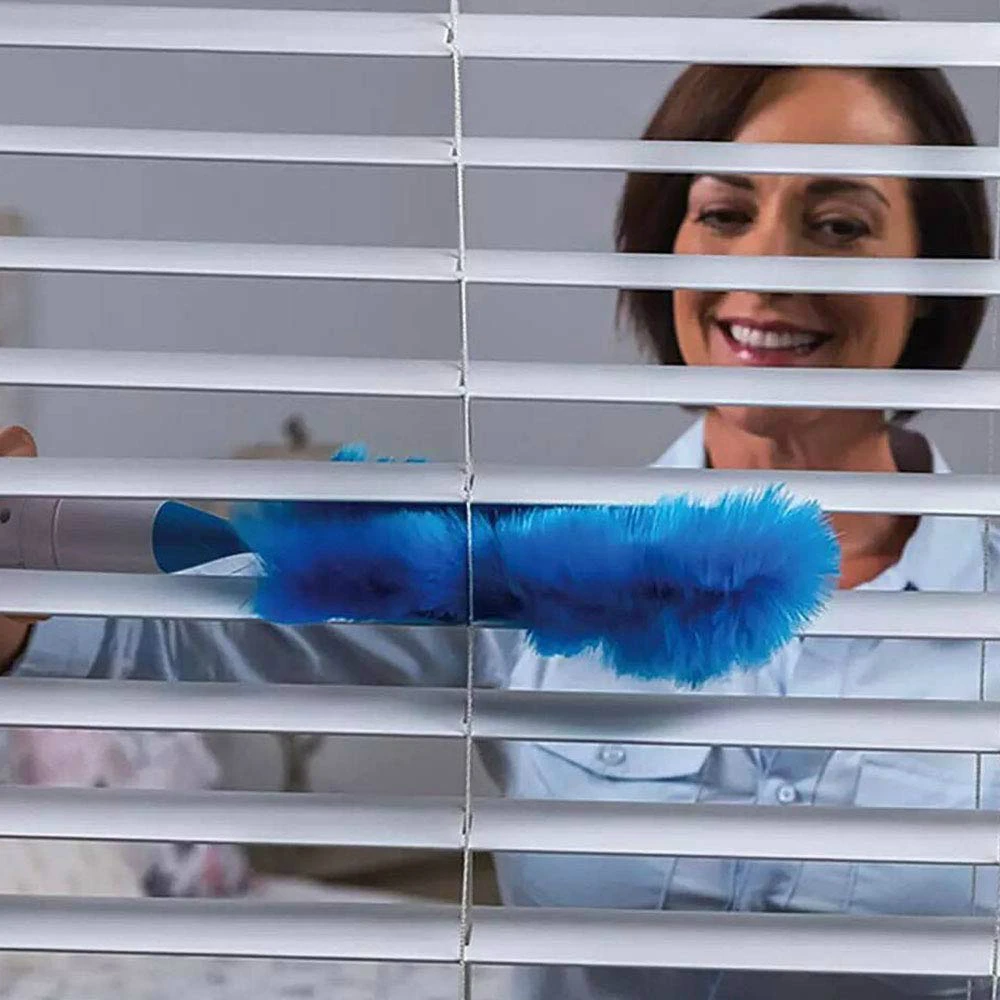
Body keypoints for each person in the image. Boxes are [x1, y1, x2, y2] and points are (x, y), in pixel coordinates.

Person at [1, 3, 996, 998]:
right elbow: (210, 625)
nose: (767, 265)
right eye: (724, 214)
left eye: (838, 226)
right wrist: (25, 579)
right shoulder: (530, 565)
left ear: (936, 276)